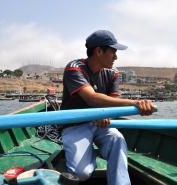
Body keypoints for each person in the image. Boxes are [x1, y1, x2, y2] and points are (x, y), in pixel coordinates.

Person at [60, 30, 154, 185]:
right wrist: (135, 103)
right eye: (113, 52)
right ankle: (87, 157)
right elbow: (92, 98)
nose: (116, 57)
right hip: (76, 125)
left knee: (117, 139)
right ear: (98, 51)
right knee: (81, 173)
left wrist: (107, 115)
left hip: (102, 125)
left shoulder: (113, 73)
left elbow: (113, 103)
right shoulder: (74, 68)